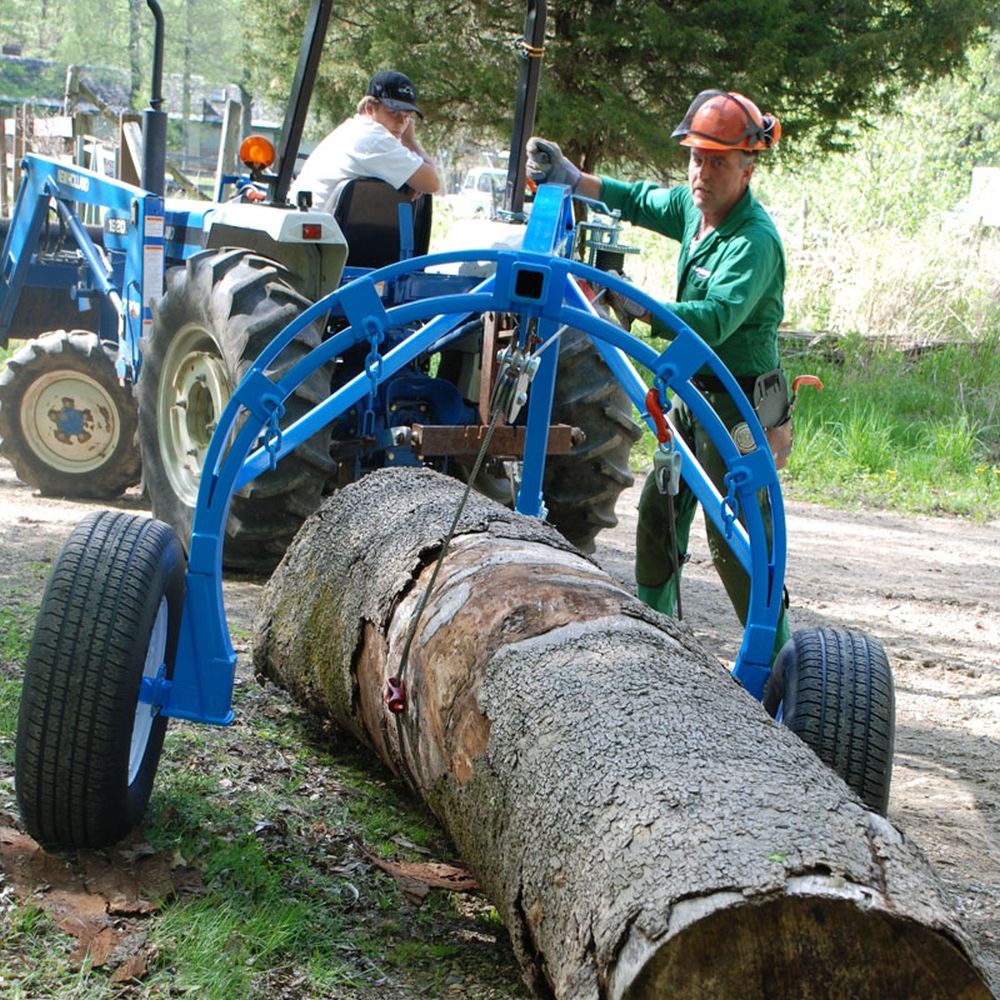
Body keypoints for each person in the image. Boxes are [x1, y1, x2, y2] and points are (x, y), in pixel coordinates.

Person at [525, 90, 791, 660]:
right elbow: (640, 199)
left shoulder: (753, 241)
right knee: (658, 514)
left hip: (738, 404)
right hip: (695, 394)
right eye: (696, 158)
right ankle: (659, 641)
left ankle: (778, 663)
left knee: (738, 538)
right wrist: (575, 178)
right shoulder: (695, 211)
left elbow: (717, 319)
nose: (702, 172)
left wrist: (642, 307)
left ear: (748, 166)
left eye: (717, 162)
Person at [289, 70, 442, 212]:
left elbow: (427, 181)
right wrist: (409, 141)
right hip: (315, 229)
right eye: (393, 113)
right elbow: (432, 183)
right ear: (370, 108)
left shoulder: (355, 130)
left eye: (407, 116)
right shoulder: (373, 139)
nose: (401, 123)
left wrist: (413, 177)